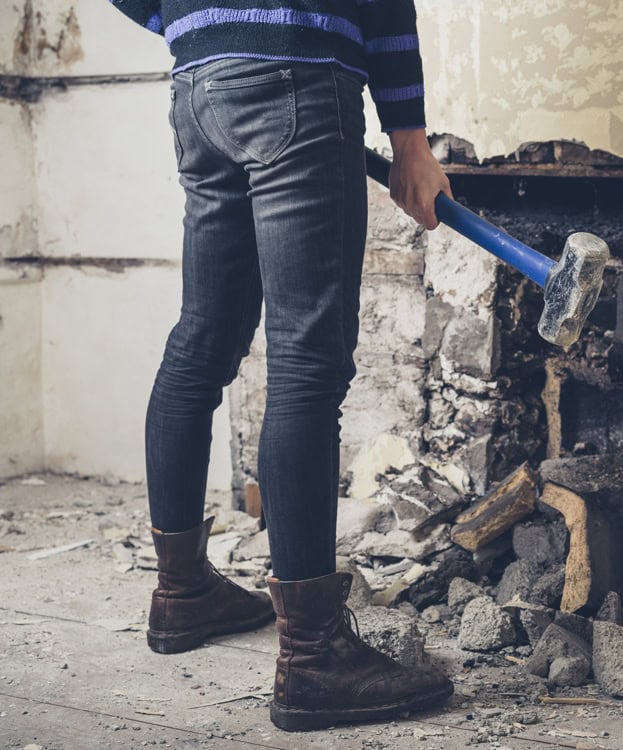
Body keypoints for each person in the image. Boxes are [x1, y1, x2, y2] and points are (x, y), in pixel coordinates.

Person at [109, 0, 455, 732]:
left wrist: (191, 20)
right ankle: (312, 658)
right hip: (296, 68)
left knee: (203, 336)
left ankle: (182, 592)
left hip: (202, 84)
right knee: (307, 361)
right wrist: (410, 137)